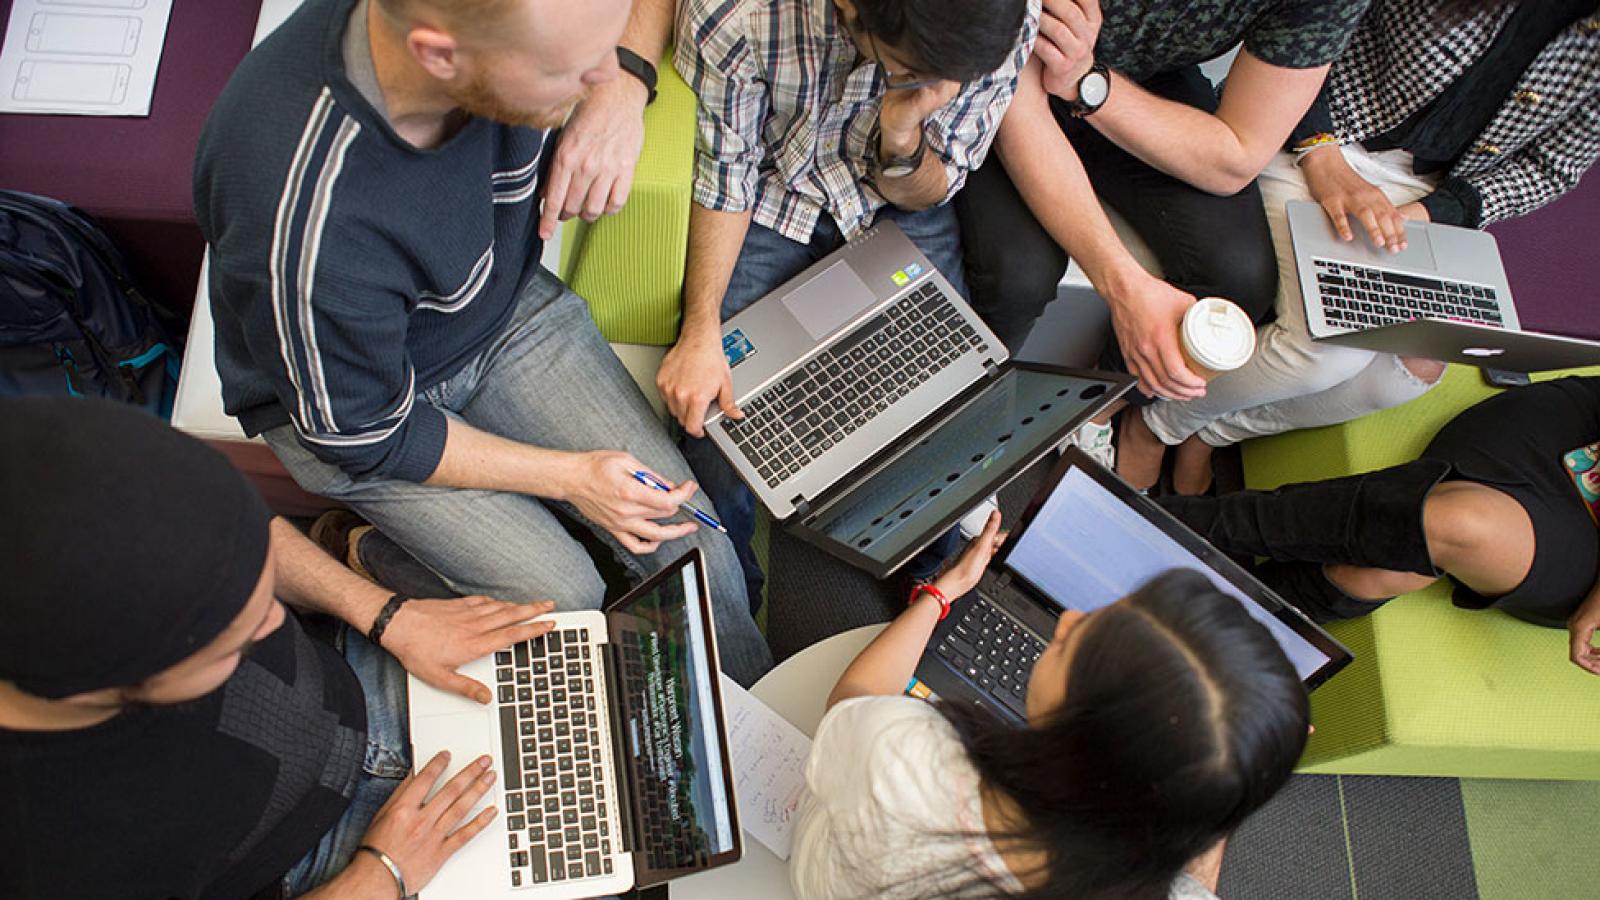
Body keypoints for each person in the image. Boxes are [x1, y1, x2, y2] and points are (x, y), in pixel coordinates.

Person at [194, 0, 772, 685]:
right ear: (440, 55)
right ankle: (372, 553)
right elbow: (368, 435)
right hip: (371, 416)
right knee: (566, 602)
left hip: (500, 309)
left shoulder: (519, 40)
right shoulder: (305, 227)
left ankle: (753, 747)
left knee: (699, 551)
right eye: (570, 71)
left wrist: (626, 80)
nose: (594, 79)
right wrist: (570, 478)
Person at [0, 397, 563, 897]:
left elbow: (249, 533)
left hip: (356, 672)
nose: (275, 623)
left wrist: (386, 616)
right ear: (94, 687)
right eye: (230, 646)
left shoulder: (46, 473)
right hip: (324, 862)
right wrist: (380, 876)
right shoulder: (40, 858)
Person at [1128, 0, 1600, 495]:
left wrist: (1432, 214)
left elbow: (1550, 168)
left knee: (1416, 368)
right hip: (1308, 135)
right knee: (1325, 352)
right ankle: (1156, 423)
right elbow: (1303, 26)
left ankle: (1213, 431)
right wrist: (1321, 153)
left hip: (1428, 195)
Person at [662, 0, 1038, 607]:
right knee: (714, 420)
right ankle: (730, 600)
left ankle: (932, 580)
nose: (937, 88)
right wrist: (701, 329)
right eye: (911, 72)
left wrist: (902, 131)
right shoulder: (735, 13)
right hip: (770, 198)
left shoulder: (998, 20)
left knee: (955, 400)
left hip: (894, 200)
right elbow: (726, 175)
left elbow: (932, 189)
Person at [789, 512, 1311, 899]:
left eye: (1074, 640)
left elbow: (851, 701)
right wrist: (1235, 773)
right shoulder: (1157, 875)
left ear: (1078, 732)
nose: (1065, 620)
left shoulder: (908, 755)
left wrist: (943, 593)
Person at [955, 0, 1370, 480]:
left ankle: (1092, 410)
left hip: (1118, 79)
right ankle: (963, 429)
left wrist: (1089, 85)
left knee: (1238, 278)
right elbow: (1019, 87)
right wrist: (1124, 285)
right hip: (1006, 69)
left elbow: (1235, 157)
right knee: (1019, 274)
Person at [1158, 376, 1600, 676]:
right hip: (1573, 435)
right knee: (1401, 560)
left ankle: (1179, 582)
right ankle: (1190, 555)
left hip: (1584, 555)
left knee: (1452, 531)